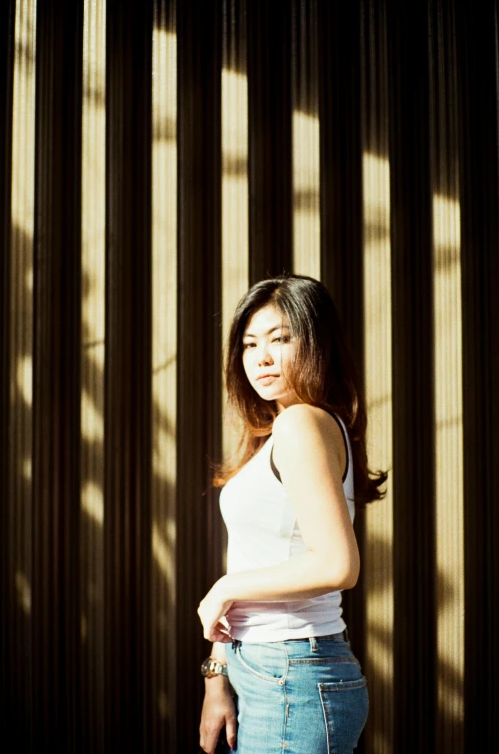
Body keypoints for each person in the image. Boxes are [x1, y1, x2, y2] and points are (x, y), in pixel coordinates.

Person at [198, 274, 387, 754]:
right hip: (269, 670)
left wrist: (224, 589)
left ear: (316, 344)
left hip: (291, 674)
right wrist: (218, 674)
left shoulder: (301, 422)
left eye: (280, 338)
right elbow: (250, 559)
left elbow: (336, 566)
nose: (260, 357)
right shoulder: (279, 431)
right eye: (249, 343)